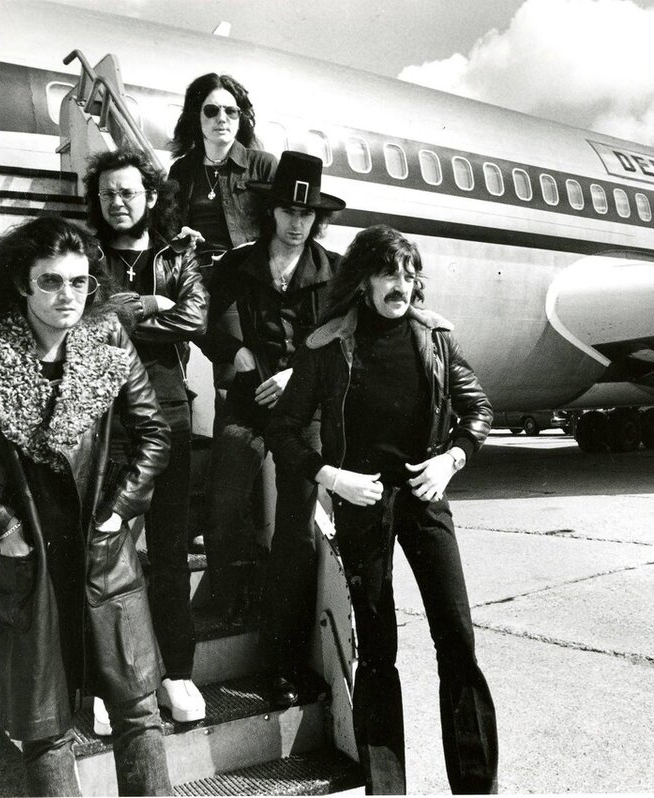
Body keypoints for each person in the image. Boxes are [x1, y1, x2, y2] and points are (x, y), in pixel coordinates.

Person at [0, 217, 173, 795]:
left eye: (79, 282)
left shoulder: (108, 340)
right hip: (31, 559)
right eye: (50, 281)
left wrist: (120, 510)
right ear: (22, 284)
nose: (67, 296)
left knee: (138, 708)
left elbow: (154, 434)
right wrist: (0, 527)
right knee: (44, 727)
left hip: (104, 552)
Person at [268, 225, 499, 794]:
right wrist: (332, 477)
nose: (402, 285)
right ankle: (387, 787)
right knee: (376, 652)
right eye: (389, 274)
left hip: (425, 499)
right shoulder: (326, 347)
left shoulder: (436, 338)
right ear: (363, 281)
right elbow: (284, 429)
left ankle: (476, 787)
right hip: (363, 503)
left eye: (410, 274)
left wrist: (451, 461)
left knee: (458, 642)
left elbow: (478, 409)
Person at [197, 150, 344, 707]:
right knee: (225, 493)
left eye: (307, 213)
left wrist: (295, 376)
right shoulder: (238, 264)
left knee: (296, 529)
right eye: (288, 210)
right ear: (272, 211)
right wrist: (233, 352)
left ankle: (283, 658)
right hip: (248, 405)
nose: (297, 222)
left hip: (303, 412)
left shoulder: (334, 272)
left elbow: (344, 338)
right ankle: (232, 597)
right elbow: (205, 321)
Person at [84, 147, 209, 729]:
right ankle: (108, 683)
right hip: (104, 416)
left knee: (169, 548)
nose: (118, 201)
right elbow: (81, 322)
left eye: (129, 191)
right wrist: (153, 305)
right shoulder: (85, 255)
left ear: (151, 196)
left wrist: (123, 314)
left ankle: (175, 673)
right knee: (105, 549)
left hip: (167, 411)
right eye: (108, 192)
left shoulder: (179, 253)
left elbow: (195, 320)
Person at [167, 72, 277, 257]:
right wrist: (179, 240)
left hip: (245, 269)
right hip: (195, 270)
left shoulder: (264, 166)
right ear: (197, 116)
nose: (222, 118)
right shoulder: (181, 169)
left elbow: (279, 228)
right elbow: (167, 230)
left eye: (231, 111)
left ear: (240, 117)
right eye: (211, 111)